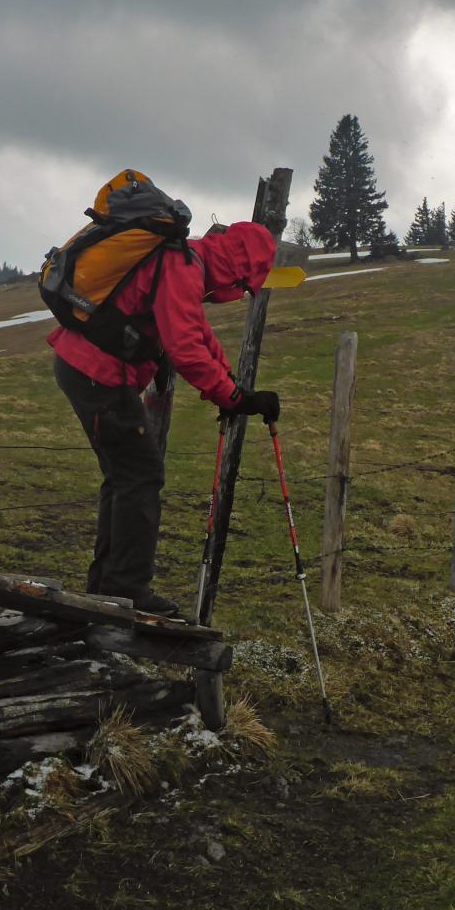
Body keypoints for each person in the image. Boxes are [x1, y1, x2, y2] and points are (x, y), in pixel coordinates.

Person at [49, 220, 281, 618]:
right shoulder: (182, 266)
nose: (237, 295)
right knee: (141, 475)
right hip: (97, 375)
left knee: (125, 476)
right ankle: (126, 591)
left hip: (88, 370)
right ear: (238, 267)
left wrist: (232, 389)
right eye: (243, 287)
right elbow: (186, 348)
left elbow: (197, 333)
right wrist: (232, 396)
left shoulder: (186, 261)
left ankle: (108, 588)